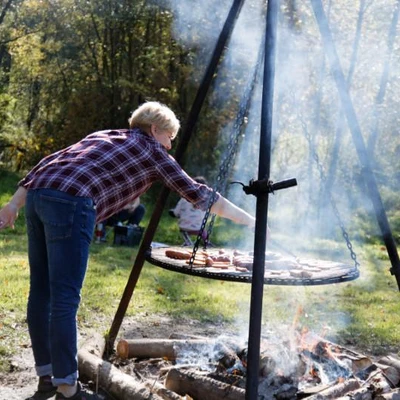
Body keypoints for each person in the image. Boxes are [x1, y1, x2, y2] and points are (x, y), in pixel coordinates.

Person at [0, 101, 255, 400]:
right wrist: (250, 220)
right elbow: (199, 195)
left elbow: (47, 163)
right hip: (72, 203)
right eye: (170, 136)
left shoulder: (106, 135)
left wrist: (13, 204)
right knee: (65, 299)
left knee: (41, 293)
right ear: (155, 129)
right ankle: (68, 390)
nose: (170, 145)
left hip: (38, 197)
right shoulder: (151, 149)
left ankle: (47, 378)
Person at [169, 176, 209, 246]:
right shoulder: (205, 201)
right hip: (198, 228)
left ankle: (188, 244)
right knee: (205, 234)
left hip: (183, 227)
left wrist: (174, 212)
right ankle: (206, 243)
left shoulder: (183, 199)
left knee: (188, 239)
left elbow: (176, 213)